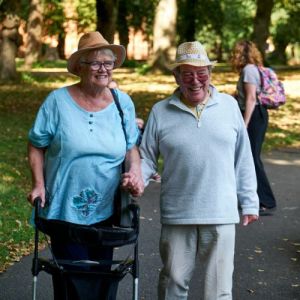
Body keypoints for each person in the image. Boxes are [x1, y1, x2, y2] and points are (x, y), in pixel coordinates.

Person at [27, 31, 144, 299]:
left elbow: (130, 147)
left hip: (107, 211)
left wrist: (135, 171)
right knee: (74, 282)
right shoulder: (57, 102)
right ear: (80, 67)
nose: (103, 69)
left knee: (102, 279)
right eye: (95, 63)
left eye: (108, 62)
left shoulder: (121, 103)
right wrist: (38, 184)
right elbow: (36, 143)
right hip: (63, 209)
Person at [139, 41, 259, 300]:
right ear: (176, 76)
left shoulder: (228, 106)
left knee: (219, 290)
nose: (196, 80)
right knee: (173, 282)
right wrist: (137, 179)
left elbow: (244, 157)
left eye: (201, 73)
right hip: (177, 212)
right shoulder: (161, 111)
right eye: (187, 73)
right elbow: (147, 157)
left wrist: (249, 201)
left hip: (221, 211)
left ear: (210, 74)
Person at [231, 40, 277, 215]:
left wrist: (245, 122)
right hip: (254, 114)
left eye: (235, 52)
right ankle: (253, 198)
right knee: (249, 157)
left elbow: (251, 99)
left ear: (241, 54)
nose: (233, 56)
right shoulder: (250, 69)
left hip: (254, 116)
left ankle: (266, 201)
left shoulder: (249, 70)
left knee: (252, 159)